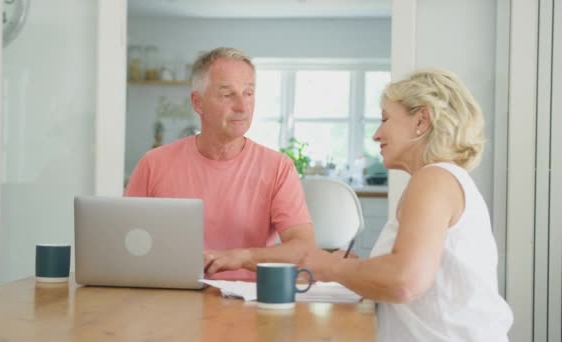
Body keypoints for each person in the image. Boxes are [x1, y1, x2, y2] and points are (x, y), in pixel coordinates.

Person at [299, 69, 513, 341]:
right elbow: (418, 279)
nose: (377, 135)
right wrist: (362, 270)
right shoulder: (441, 180)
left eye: (385, 119)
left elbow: (405, 280)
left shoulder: (434, 179)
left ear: (421, 120)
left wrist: (327, 266)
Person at [125, 47, 315, 280]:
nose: (242, 107)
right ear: (198, 103)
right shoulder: (153, 164)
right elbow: (126, 242)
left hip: (249, 305)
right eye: (227, 95)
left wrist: (242, 257)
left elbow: (303, 248)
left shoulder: (278, 168)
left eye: (248, 93)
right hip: (172, 298)